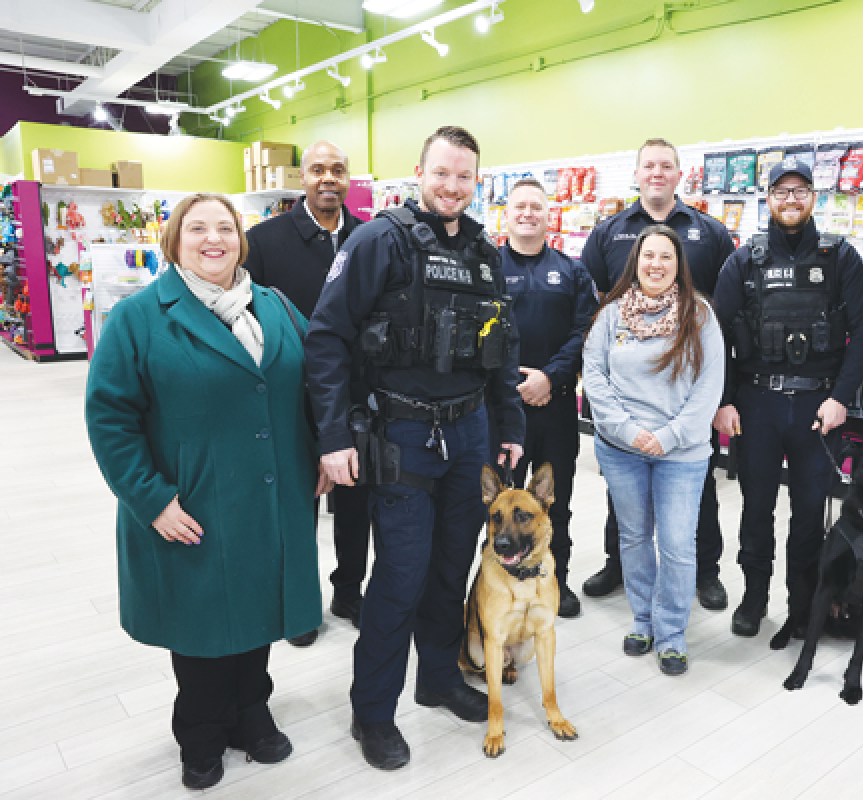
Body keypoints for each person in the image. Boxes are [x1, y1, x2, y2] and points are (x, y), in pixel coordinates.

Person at [84, 193, 330, 790]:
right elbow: (109, 416)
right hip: (192, 502)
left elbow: (316, 380)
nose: (213, 238)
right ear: (175, 242)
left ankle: (252, 713)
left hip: (271, 495)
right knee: (202, 624)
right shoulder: (141, 318)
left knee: (259, 609)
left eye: (225, 227)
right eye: (198, 228)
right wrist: (150, 498)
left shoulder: (274, 307)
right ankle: (200, 729)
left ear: (241, 241)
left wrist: (327, 444)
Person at [305, 126, 524, 770]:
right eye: (442, 174)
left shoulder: (487, 254)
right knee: (400, 576)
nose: (453, 187)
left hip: (470, 432)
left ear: (476, 182)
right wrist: (333, 436)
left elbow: (502, 352)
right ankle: (372, 711)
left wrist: (509, 425)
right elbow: (326, 338)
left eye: (465, 177)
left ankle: (437, 678)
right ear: (419, 174)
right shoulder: (380, 241)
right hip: (400, 433)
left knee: (453, 567)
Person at [712, 161, 863, 638]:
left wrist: (842, 398)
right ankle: (754, 597)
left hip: (816, 409)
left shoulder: (840, 257)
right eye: (781, 191)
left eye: (800, 190)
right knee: (756, 509)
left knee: (808, 513)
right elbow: (717, 337)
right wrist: (724, 401)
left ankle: (803, 603)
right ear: (768, 198)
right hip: (756, 406)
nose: (790, 199)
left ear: (813, 198)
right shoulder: (743, 260)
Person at [580, 137, 736, 611]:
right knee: (623, 497)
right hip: (627, 394)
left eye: (666, 166)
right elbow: (590, 307)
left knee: (695, 492)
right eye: (649, 166)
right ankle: (618, 565)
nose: (657, 173)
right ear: (637, 173)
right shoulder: (609, 232)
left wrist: (721, 398)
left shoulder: (709, 232)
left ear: (679, 174)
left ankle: (705, 572)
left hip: (687, 397)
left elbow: (726, 315)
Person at [582, 225, 725, 677]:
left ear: (677, 264)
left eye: (666, 257)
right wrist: (626, 431)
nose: (656, 265)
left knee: (680, 546)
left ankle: (671, 635)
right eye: (648, 257)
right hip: (621, 449)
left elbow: (709, 388)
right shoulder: (611, 315)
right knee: (634, 537)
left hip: (681, 453)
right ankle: (642, 621)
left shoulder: (699, 315)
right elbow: (595, 376)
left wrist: (667, 436)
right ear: (636, 262)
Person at [244, 139, 368, 646]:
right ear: (302, 178)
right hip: (291, 396)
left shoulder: (371, 236)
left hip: (359, 394)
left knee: (356, 501)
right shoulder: (264, 241)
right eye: (318, 169)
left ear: (347, 178)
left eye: (337, 170)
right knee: (300, 504)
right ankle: (301, 603)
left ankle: (349, 590)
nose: (328, 179)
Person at [489, 177, 598, 618]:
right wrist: (514, 380)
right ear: (507, 213)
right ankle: (499, 584)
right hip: (504, 408)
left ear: (548, 214)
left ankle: (558, 582)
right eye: (521, 206)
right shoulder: (488, 268)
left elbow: (583, 332)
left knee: (556, 502)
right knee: (503, 505)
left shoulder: (572, 271)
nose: (528, 213)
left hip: (556, 408)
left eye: (537, 206)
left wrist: (549, 378)